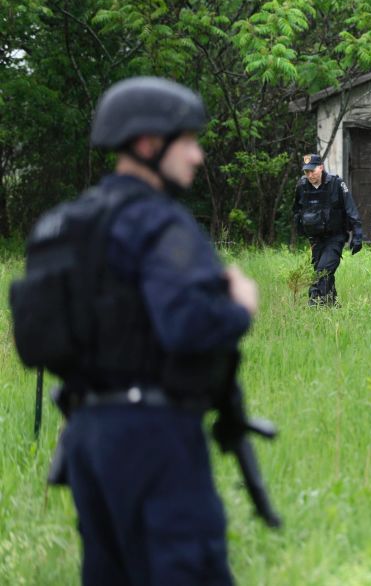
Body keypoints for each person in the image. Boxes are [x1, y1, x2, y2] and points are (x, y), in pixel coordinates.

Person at [12, 77, 260, 584]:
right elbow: (190, 325)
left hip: (85, 438)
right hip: (154, 436)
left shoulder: (63, 224)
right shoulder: (158, 223)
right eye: (188, 141)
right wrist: (240, 306)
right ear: (149, 144)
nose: (198, 157)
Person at [292, 152, 364, 305]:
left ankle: (314, 300)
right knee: (324, 271)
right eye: (306, 171)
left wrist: (357, 236)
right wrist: (302, 231)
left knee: (323, 270)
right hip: (315, 238)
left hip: (335, 237)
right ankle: (332, 304)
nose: (310, 175)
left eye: (312, 170)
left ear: (321, 168)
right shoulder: (302, 186)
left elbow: (351, 210)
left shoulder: (336, 184)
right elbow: (297, 210)